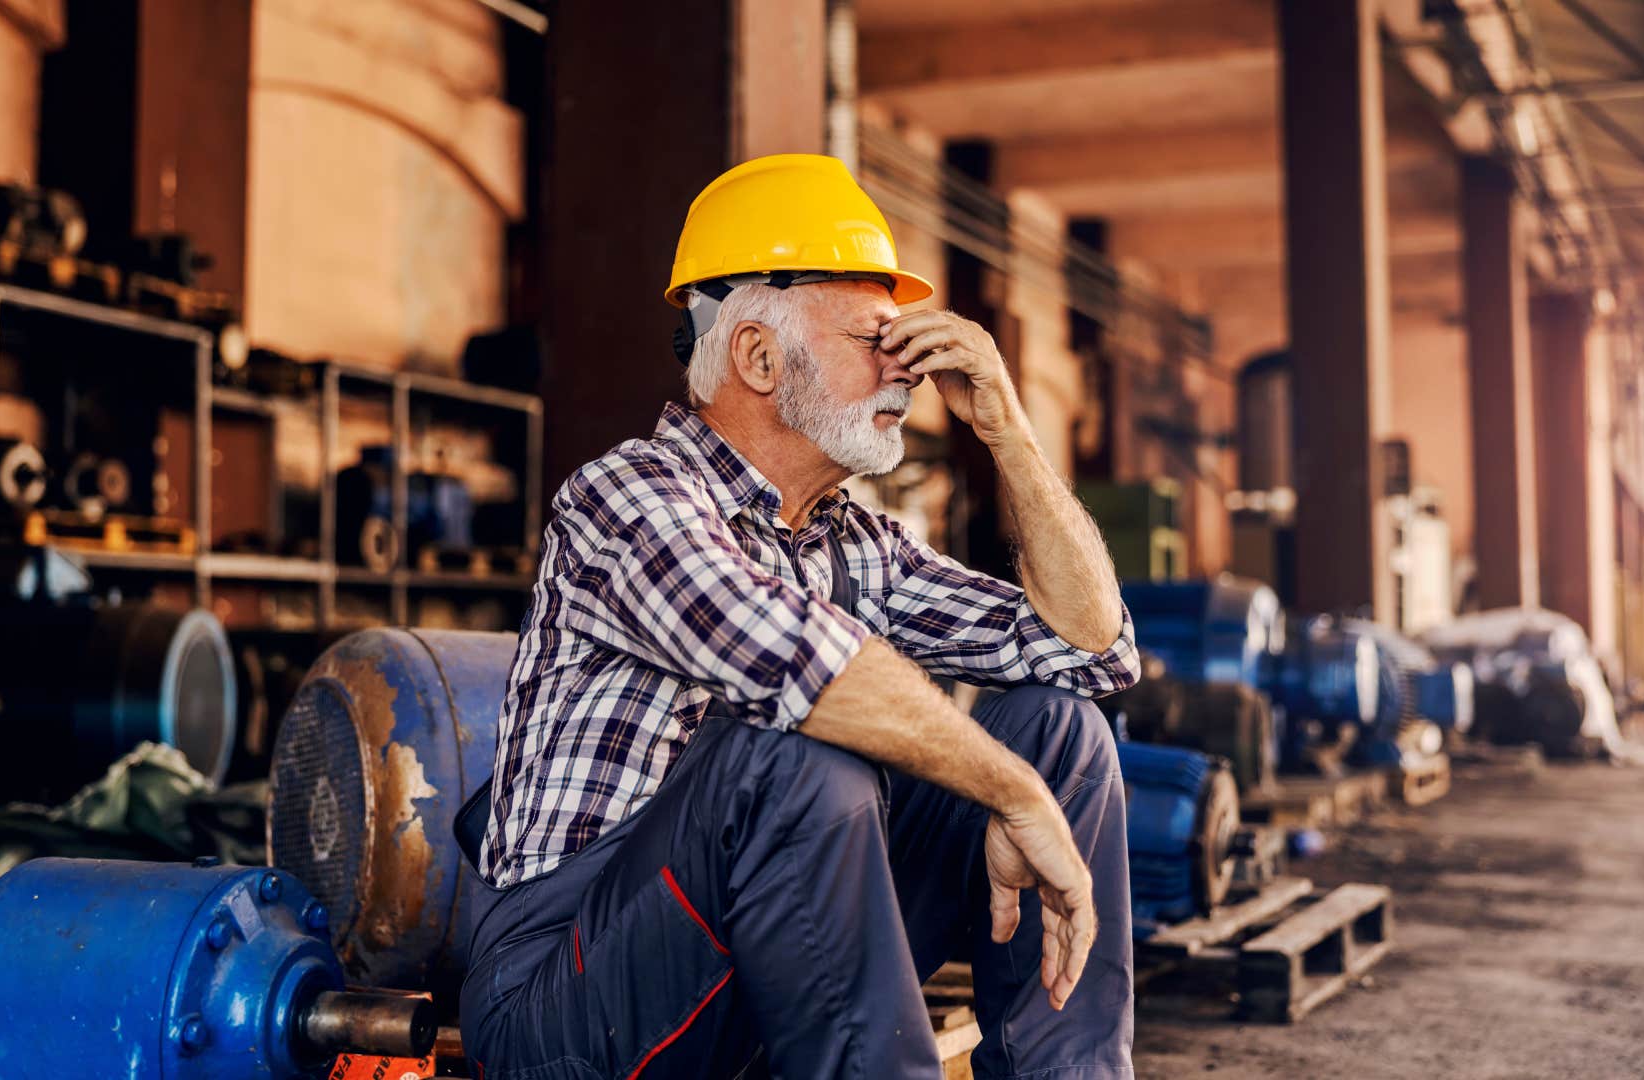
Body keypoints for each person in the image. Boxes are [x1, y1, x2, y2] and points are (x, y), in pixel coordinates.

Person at [453, 153, 1140, 1078]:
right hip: (564, 1000)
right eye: (874, 339)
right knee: (790, 755)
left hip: (754, 967)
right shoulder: (626, 498)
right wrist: (1009, 795)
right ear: (758, 356)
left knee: (1058, 729)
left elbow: (1093, 653)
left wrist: (1009, 436)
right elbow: (797, 671)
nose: (907, 371)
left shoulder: (857, 542)